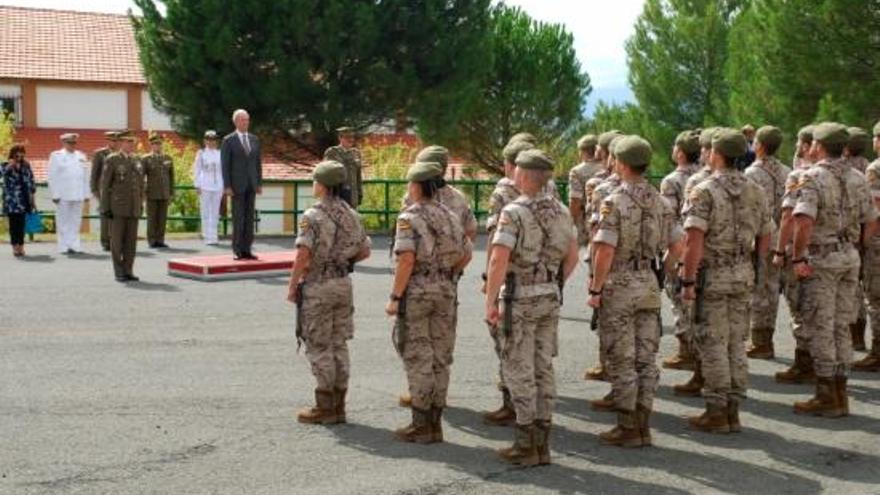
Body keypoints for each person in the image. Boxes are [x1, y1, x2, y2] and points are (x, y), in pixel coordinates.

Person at [485, 148, 578, 465]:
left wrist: (490, 301)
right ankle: (543, 443)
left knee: (519, 367)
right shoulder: (562, 211)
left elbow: (499, 258)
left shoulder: (513, 212)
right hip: (549, 295)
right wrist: (551, 280)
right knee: (543, 366)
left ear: (523, 175)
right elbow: (573, 256)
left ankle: (525, 444)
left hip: (518, 298)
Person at [589, 135, 682, 447]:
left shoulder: (613, 201)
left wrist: (596, 287)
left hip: (619, 284)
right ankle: (643, 424)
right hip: (649, 282)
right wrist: (662, 271)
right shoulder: (661, 202)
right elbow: (678, 244)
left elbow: (604, 250)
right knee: (646, 356)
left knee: (622, 357)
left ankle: (628, 426)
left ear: (623, 164)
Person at [681, 128, 772, 433]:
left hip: (713, 277)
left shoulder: (703, 190)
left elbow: (694, 239)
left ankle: (717, 410)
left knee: (713, 342)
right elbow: (765, 233)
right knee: (736, 341)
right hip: (743, 273)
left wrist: (688, 280)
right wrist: (758, 267)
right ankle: (733, 409)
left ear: (717, 154)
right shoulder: (755, 189)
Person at [790, 122, 877, 418]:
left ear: (819, 146)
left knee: (821, 325)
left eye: (812, 142)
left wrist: (799, 257)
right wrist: (855, 246)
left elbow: (803, 222)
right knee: (841, 325)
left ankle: (826, 393)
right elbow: (871, 219)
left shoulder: (811, 177)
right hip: (849, 255)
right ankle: (841, 392)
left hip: (823, 258)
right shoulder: (858, 177)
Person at [386, 161, 472, 444]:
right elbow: (467, 251)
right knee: (440, 356)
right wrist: (449, 272)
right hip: (446, 289)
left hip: (419, 292)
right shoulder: (449, 215)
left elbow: (406, 260)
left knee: (418, 355)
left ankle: (421, 423)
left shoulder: (409, 218)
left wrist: (395, 297)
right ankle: (435, 422)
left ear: (415, 186)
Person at [480, 138, 557, 426]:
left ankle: (512, 405)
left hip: (514, 281)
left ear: (511, 166)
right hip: (546, 280)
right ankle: (537, 417)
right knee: (541, 354)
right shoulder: (549, 190)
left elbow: (495, 243)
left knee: (510, 343)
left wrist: (489, 279)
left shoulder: (504, 193)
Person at [287, 160, 372, 425]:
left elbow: (303, 253)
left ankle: (325, 407)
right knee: (338, 343)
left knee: (319, 344)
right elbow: (365, 250)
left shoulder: (312, 216)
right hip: (343, 284)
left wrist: (292, 286)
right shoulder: (352, 214)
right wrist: (344, 262)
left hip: (319, 286)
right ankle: (339, 405)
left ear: (321, 185)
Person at [396, 145, 477, 409]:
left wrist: (396, 293)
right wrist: (454, 269)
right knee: (441, 341)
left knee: (416, 342)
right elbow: (469, 238)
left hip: (417, 280)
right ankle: (436, 396)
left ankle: (421, 395)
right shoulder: (458, 200)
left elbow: (406, 252)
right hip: (446, 278)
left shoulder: (412, 201)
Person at [670, 126, 719, 398]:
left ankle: (709, 389)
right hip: (736, 266)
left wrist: (681, 266)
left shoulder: (695, 184)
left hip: (701, 263)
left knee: (700, 323)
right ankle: (727, 399)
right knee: (730, 335)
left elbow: (681, 229)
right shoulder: (747, 182)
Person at [772, 125, 817, 384]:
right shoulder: (852, 174)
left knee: (800, 308)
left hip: (804, 253)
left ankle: (804, 364)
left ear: (809, 146)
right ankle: (829, 374)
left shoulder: (800, 176)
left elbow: (789, 218)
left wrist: (781, 250)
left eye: (801, 143)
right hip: (837, 254)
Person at [744, 126, 791, 359]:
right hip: (780, 238)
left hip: (758, 239)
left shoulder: (751, 174)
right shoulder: (788, 172)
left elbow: (748, 212)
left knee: (756, 291)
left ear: (759, 146)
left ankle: (759, 342)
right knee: (771, 290)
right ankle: (767, 340)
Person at [582, 130, 623, 383]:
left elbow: (598, 233)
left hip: (609, 265)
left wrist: (594, 277)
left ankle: (608, 367)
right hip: (642, 270)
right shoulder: (650, 190)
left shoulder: (602, 189)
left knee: (608, 319)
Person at [659, 130, 701, 372]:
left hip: (681, 246)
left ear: (681, 153)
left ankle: (687, 350)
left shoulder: (672, 181)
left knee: (679, 298)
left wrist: (667, 254)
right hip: (701, 246)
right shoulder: (705, 175)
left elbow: (669, 219)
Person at [854, 120, 880, 372]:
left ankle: (878, 352)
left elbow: (874, 213)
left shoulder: (875, 169)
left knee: (876, 299)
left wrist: (864, 244)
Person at [101, 133, 144, 283]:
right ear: (120, 143)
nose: (130, 144)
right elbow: (105, 185)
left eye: (132, 142)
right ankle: (118, 271)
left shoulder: (136, 159)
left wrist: (140, 204)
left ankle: (128, 270)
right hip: (117, 207)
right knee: (117, 242)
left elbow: (140, 185)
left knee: (131, 243)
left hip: (133, 207)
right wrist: (105, 207)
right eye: (127, 142)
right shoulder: (112, 159)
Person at [221, 109, 262, 260]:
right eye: (243, 120)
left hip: (251, 184)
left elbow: (257, 163)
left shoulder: (254, 139)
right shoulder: (228, 140)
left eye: (247, 120)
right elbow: (225, 166)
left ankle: (247, 249)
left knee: (249, 218)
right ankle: (237, 249)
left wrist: (258, 183)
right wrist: (227, 186)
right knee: (238, 218)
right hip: (236, 186)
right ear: (236, 122)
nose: (246, 122)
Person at [845, 126, 872, 350]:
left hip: (856, 236)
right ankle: (858, 336)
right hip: (866, 233)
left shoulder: (847, 170)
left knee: (854, 290)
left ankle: (855, 337)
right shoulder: (866, 166)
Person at [47, 133, 89, 255]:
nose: (72, 145)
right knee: (63, 221)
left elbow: (85, 176)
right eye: (70, 143)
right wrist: (55, 194)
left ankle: (75, 245)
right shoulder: (56, 156)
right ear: (64, 143)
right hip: (63, 194)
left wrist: (86, 193)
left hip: (78, 193)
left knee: (75, 221)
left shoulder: (81, 156)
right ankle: (64, 246)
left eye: (74, 143)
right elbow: (52, 176)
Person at [568, 134, 603, 246]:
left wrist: (570, 222)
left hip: (586, 221)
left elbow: (575, 201)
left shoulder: (577, 171)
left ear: (583, 151)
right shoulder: (608, 167)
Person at [1, 144, 36, 257]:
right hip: (11, 200)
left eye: (22, 152)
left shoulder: (26, 165)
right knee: (13, 225)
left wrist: (32, 198)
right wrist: (10, 166)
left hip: (23, 200)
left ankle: (21, 246)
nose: (20, 154)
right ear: (13, 153)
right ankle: (15, 247)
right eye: (17, 152)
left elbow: (31, 181)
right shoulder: (5, 165)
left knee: (21, 225)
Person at [142, 134, 175, 248]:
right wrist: (143, 193)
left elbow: (171, 178)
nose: (158, 146)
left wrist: (171, 193)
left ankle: (160, 240)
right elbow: (142, 177)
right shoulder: (146, 159)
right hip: (151, 193)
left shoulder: (168, 158)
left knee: (162, 219)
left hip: (164, 193)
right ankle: (152, 240)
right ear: (151, 145)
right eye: (155, 144)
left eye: (159, 144)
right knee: (152, 218)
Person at [91, 131, 121, 251]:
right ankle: (105, 242)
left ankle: (115, 241)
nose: (114, 143)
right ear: (107, 141)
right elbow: (95, 174)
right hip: (104, 190)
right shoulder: (100, 154)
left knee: (117, 217)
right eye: (112, 140)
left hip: (117, 191)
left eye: (116, 141)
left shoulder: (119, 154)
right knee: (105, 217)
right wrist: (94, 190)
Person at [194, 130, 224, 245]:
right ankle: (206, 235)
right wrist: (197, 184)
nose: (211, 142)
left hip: (218, 185)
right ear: (205, 141)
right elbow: (196, 169)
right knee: (205, 211)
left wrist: (225, 184)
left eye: (213, 140)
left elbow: (223, 171)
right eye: (209, 140)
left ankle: (214, 235)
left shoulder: (220, 153)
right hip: (205, 185)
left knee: (215, 212)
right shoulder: (201, 153)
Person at [323, 127, 363, 208]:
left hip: (352, 194)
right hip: (338, 193)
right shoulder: (332, 152)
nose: (351, 140)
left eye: (352, 137)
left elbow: (358, 175)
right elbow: (325, 173)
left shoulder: (355, 153)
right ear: (340, 138)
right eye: (347, 137)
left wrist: (360, 192)